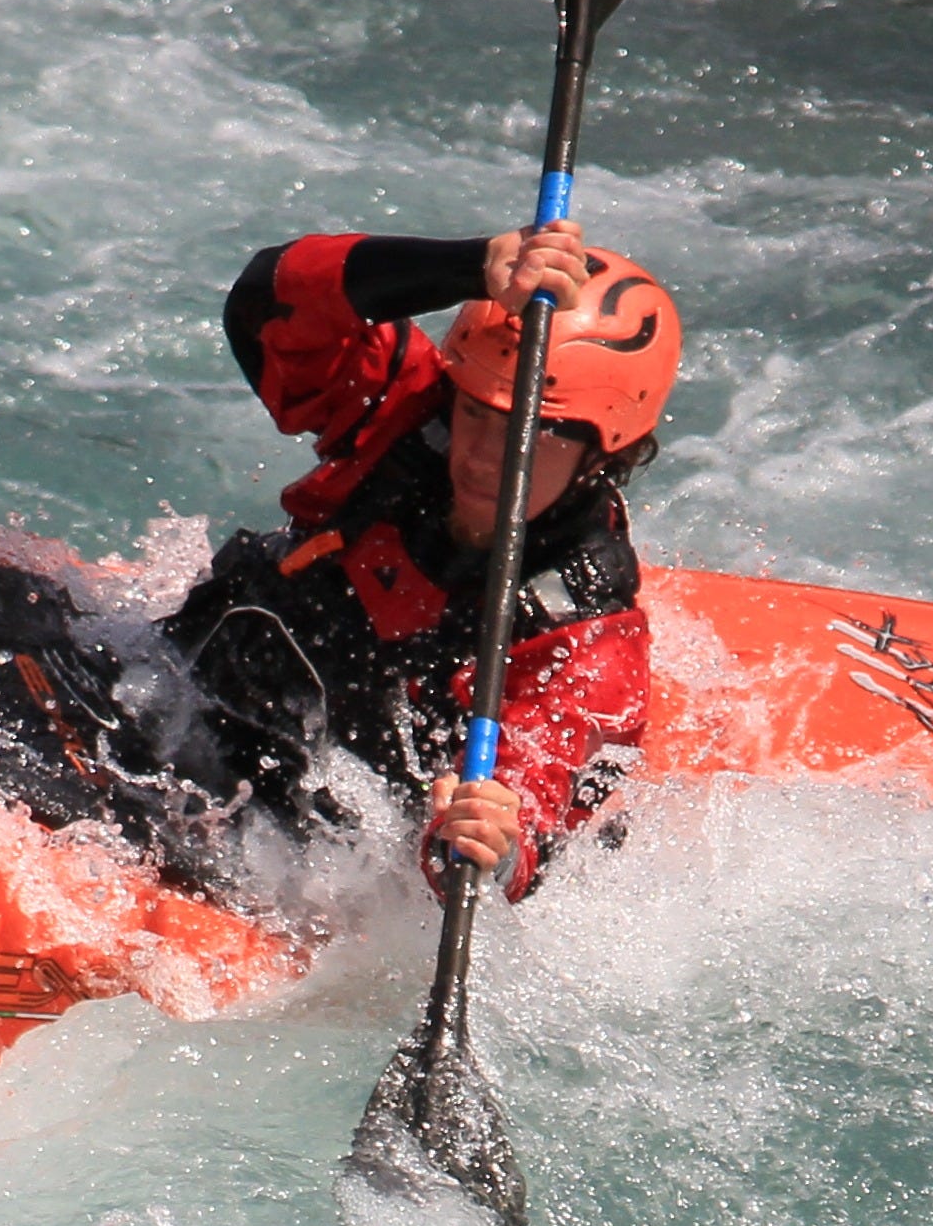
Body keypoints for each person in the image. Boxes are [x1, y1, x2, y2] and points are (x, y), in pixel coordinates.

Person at [163, 219, 677, 898]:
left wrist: (490, 833)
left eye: (537, 432)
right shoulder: (400, 411)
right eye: (482, 414)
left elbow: (540, 779)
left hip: (309, 845)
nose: (490, 454)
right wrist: (467, 266)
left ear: (603, 451)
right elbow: (271, 300)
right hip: (185, 696)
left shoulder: (587, 634)